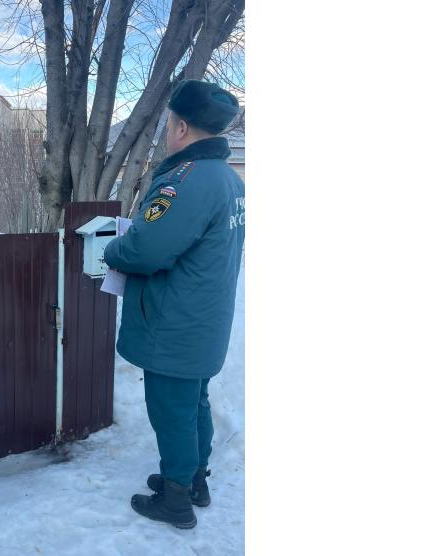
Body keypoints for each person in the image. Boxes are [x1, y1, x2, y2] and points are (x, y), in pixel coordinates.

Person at [103, 80, 245, 529]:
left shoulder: (189, 180)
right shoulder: (229, 178)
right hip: (203, 320)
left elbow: (146, 249)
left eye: (169, 124)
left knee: (172, 412)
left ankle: (176, 500)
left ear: (181, 127)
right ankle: (193, 479)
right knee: (194, 403)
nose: (168, 131)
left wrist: (112, 249)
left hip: (175, 325)